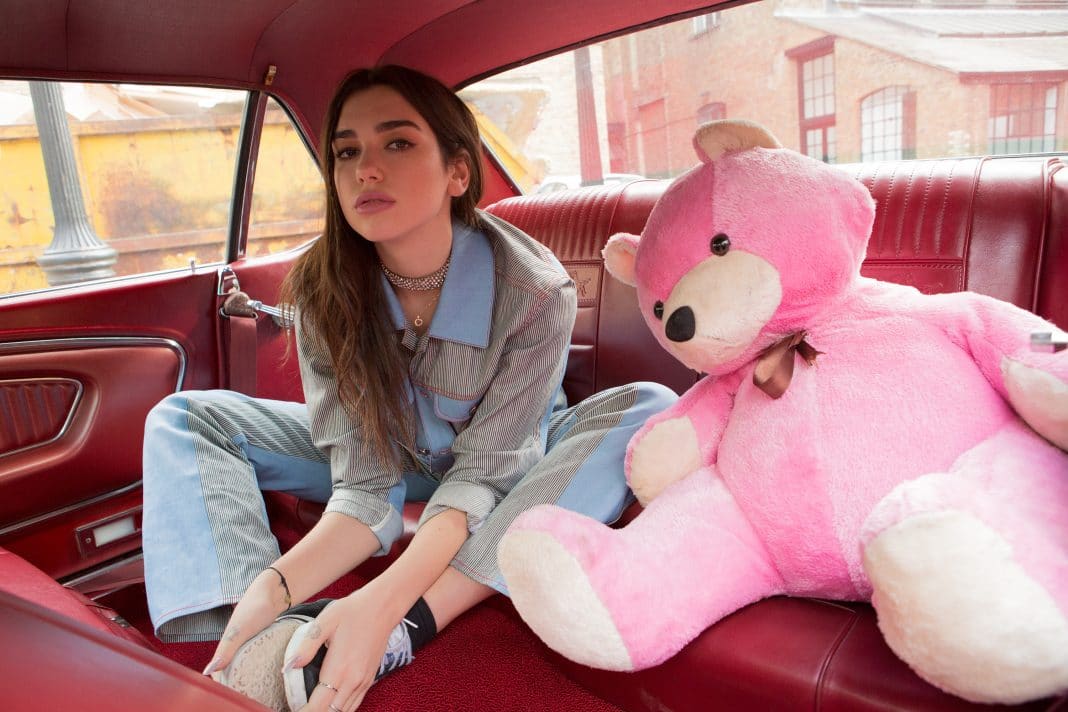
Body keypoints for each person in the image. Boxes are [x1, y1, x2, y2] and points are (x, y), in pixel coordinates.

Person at [140, 65, 676, 712]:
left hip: (507, 466)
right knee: (186, 417)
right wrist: (274, 587)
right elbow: (366, 486)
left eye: (397, 143)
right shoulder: (322, 291)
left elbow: (483, 477)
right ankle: (245, 639)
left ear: (458, 172)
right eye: (347, 152)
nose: (366, 169)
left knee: (649, 409)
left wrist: (384, 603)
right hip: (390, 458)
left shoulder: (534, 291)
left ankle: (415, 624)